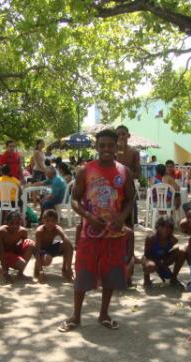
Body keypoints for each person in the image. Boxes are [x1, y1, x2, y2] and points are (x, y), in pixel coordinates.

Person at [58, 129, 135, 332]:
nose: (107, 149)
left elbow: (130, 199)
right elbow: (74, 199)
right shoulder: (86, 170)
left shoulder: (124, 172)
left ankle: (104, 314)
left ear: (116, 145)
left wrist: (121, 218)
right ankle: (76, 316)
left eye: (110, 145)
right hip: (89, 233)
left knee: (110, 273)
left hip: (114, 234)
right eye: (102, 145)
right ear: (97, 147)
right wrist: (89, 217)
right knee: (83, 272)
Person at [142, 217, 184, 286]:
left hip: (162, 259)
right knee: (150, 265)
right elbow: (147, 255)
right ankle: (146, 279)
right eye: (163, 227)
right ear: (157, 227)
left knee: (181, 252)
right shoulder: (151, 238)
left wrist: (163, 264)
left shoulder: (173, 240)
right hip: (150, 258)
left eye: (169, 227)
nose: (166, 230)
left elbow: (165, 252)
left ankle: (173, 278)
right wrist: (160, 264)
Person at [33, 209, 74, 282]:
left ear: (56, 222)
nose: (50, 223)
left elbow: (67, 241)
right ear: (43, 221)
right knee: (48, 259)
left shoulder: (57, 229)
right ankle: (37, 267)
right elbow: (37, 251)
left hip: (50, 248)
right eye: (47, 221)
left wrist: (69, 269)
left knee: (67, 245)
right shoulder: (39, 231)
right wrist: (41, 272)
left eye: (53, 221)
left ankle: (65, 269)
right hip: (41, 252)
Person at [0, 211, 35, 280]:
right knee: (21, 263)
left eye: (17, 223)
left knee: (31, 244)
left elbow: (23, 245)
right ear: (6, 223)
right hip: (5, 253)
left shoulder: (23, 232)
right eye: (11, 223)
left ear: (21, 223)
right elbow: (0, 250)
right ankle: (5, 269)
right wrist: (5, 271)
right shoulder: (1, 232)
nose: (14, 226)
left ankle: (20, 273)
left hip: (14, 251)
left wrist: (17, 247)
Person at [115, 125, 141, 227]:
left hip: (128, 188)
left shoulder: (134, 152)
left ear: (128, 135)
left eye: (123, 134)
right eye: (118, 134)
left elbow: (138, 173)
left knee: (129, 221)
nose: (121, 136)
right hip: (112, 189)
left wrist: (125, 176)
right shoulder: (111, 151)